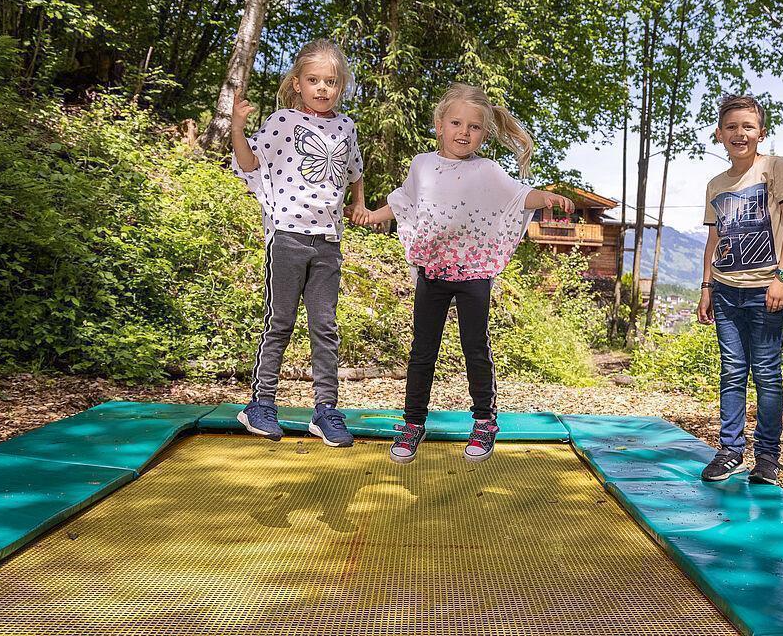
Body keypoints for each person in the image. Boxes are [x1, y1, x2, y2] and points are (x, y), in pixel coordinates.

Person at [355, 83, 572, 464]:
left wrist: (547, 197)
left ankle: (485, 420)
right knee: (423, 350)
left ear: (484, 134)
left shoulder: (486, 169)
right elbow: (404, 201)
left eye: (473, 127)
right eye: (456, 122)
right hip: (433, 271)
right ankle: (412, 422)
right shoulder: (422, 164)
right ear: (439, 124)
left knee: (475, 346)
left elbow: (520, 196)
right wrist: (373, 215)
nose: (463, 132)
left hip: (474, 270)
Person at [229, 38, 368, 448]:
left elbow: (355, 168)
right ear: (297, 84)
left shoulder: (346, 126)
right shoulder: (282, 122)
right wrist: (237, 127)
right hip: (288, 236)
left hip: (328, 241)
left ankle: (325, 411)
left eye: (331, 82)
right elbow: (251, 162)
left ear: (340, 87)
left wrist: (359, 204)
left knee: (325, 327)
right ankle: (260, 403)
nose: (322, 88)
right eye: (314, 80)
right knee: (281, 321)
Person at [696, 94, 783, 486]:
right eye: (731, 127)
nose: (739, 133)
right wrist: (706, 286)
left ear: (761, 132)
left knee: (767, 374)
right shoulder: (715, 184)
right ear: (719, 134)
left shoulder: (776, 168)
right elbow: (714, 239)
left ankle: (768, 459)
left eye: (748, 126)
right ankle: (730, 451)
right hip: (725, 290)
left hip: (765, 290)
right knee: (732, 371)